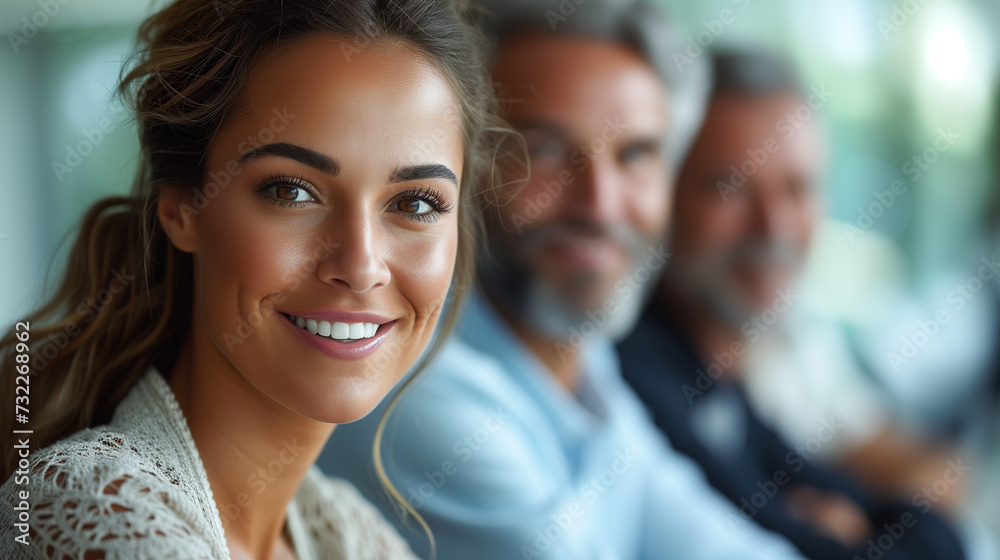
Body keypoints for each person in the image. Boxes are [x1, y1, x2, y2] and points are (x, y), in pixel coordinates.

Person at [0, 0, 513, 558]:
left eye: (415, 202)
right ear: (182, 209)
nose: (362, 265)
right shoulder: (98, 513)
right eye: (291, 191)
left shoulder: (350, 536)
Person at [319, 2, 808, 559]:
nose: (599, 206)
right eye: (545, 150)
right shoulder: (414, 391)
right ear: (456, 167)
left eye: (635, 155)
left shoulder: (585, 364)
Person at [616, 49, 970, 560]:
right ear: (661, 194)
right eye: (730, 187)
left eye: (797, 189)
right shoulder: (640, 371)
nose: (773, 228)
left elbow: (935, 508)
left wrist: (872, 524)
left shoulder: (720, 374)